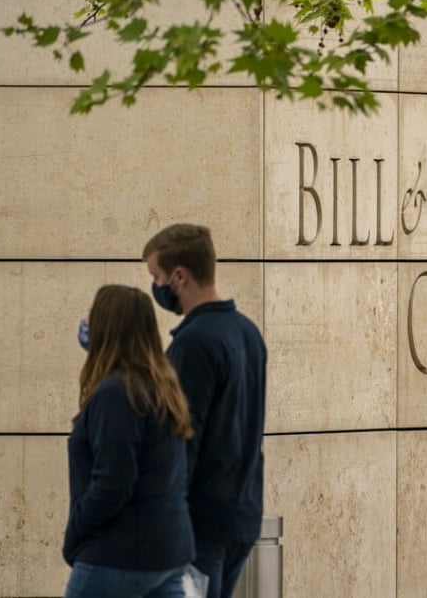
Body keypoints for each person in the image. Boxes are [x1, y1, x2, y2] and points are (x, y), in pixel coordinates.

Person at [142, 223, 267, 598]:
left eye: (157, 276)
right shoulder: (247, 333)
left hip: (200, 526)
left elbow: (182, 439)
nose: (156, 287)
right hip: (241, 514)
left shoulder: (194, 343)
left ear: (179, 276)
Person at [63, 285, 195, 598]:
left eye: (92, 317)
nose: (86, 325)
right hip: (169, 552)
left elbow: (114, 481)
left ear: (107, 327)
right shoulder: (163, 389)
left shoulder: (116, 394)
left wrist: (76, 533)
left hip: (118, 554)